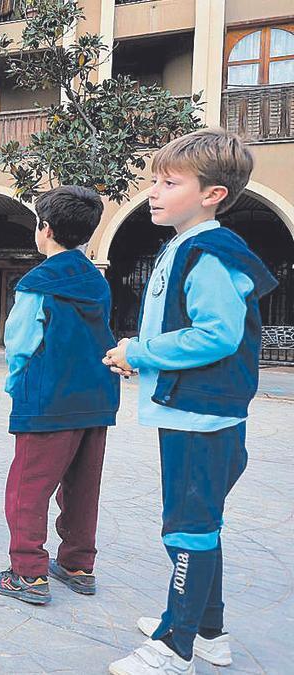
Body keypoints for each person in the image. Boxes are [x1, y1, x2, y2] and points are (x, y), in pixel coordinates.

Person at [103, 129, 277, 675]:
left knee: (187, 527)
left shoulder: (209, 250)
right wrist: (144, 356)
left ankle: (174, 646)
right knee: (201, 523)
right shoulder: (185, 245)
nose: (153, 190)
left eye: (169, 181)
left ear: (212, 194)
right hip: (193, 410)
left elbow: (216, 334)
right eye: (154, 179)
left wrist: (141, 350)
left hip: (203, 415)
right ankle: (207, 632)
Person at [0, 186, 120, 607]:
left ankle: (27, 572)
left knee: (28, 487)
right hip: (96, 397)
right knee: (81, 486)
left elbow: (20, 342)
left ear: (46, 230)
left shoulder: (37, 282)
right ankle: (78, 565)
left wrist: (16, 387)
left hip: (48, 399)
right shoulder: (96, 279)